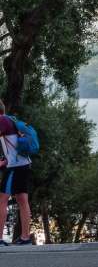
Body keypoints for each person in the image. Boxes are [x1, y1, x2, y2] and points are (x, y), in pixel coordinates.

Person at [0, 101, 32, 245]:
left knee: (2, 200)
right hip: (23, 164)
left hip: (15, 167)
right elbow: (12, 149)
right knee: (23, 200)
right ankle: (26, 238)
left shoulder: (2, 120)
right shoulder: (10, 120)